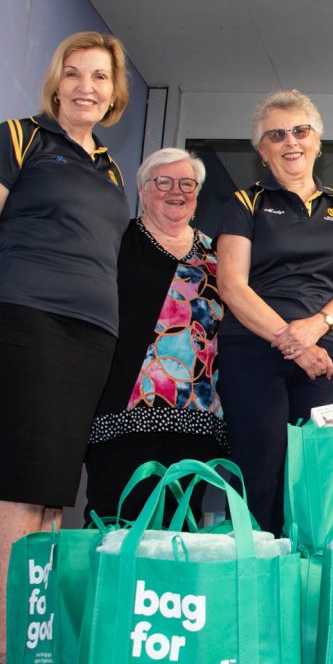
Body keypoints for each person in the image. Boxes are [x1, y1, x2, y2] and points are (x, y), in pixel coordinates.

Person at [0, 32, 132, 664]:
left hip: (91, 337)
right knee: (20, 486)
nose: (88, 86)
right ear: (58, 82)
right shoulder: (19, 137)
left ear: (114, 93)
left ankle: (34, 634)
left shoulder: (111, 168)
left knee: (54, 495)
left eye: (101, 77)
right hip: (26, 324)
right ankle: (3, 650)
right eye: (76, 74)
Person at [215, 88, 333, 534]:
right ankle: (250, 576)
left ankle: (305, 584)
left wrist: (317, 327)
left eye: (300, 131)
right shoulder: (245, 203)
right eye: (276, 134)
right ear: (262, 151)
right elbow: (231, 284)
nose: (291, 142)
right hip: (254, 347)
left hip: (327, 353)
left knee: (316, 476)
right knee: (259, 466)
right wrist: (293, 340)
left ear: (317, 141)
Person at [84, 148, 226, 521]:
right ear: (143, 190)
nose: (175, 191)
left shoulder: (218, 254)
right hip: (124, 410)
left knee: (182, 528)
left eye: (186, 183)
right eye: (163, 182)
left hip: (196, 414)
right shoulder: (117, 242)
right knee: (117, 519)